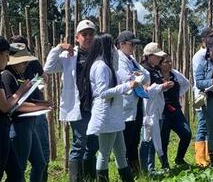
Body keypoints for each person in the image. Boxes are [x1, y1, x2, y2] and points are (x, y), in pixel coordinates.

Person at [0, 35, 50, 182]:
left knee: (16, 173)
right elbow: (6, 106)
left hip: (0, 129)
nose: (8, 60)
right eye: (6, 55)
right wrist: (21, 91)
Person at [44, 20, 98, 182]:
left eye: (91, 34)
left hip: (96, 106)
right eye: (84, 34)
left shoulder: (99, 54)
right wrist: (59, 47)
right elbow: (48, 68)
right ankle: (76, 179)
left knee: (94, 144)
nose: (88, 37)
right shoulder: (69, 56)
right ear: (77, 38)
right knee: (79, 143)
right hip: (78, 106)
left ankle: (89, 177)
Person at [86, 34, 137, 182]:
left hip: (113, 114)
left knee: (121, 152)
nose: (114, 49)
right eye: (111, 45)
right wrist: (127, 86)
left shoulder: (107, 65)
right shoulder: (101, 66)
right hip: (105, 115)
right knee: (105, 152)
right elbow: (103, 93)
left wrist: (129, 84)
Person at [4, 43, 49, 182]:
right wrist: (40, 107)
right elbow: (15, 106)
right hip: (17, 127)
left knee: (40, 163)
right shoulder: (7, 76)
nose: (26, 64)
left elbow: (25, 100)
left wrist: (42, 104)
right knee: (19, 169)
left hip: (28, 125)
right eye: (23, 62)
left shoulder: (19, 74)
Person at [114, 31, 146, 176]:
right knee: (126, 141)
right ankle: (126, 173)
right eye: (131, 44)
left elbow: (144, 75)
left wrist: (138, 77)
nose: (134, 47)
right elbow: (128, 79)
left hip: (136, 102)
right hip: (126, 105)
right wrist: (138, 77)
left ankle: (136, 171)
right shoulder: (119, 59)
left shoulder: (131, 59)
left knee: (134, 139)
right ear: (122, 45)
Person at [155, 53, 191, 170]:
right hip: (163, 111)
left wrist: (178, 94)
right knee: (164, 139)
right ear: (160, 64)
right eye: (166, 62)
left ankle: (179, 159)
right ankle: (165, 165)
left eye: (170, 61)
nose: (170, 64)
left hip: (176, 109)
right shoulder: (156, 76)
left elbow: (186, 83)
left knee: (186, 133)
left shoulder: (175, 74)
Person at [191, 27, 213, 167]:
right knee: (203, 126)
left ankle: (209, 157)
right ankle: (200, 159)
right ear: (204, 39)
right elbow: (201, 78)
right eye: (211, 36)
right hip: (204, 94)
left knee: (211, 127)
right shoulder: (200, 55)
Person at [138, 42, 168, 175]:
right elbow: (146, 91)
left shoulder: (155, 69)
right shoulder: (143, 70)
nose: (159, 59)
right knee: (146, 140)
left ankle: (151, 167)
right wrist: (162, 86)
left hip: (157, 109)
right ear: (149, 56)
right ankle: (144, 169)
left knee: (154, 139)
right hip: (147, 111)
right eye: (156, 56)